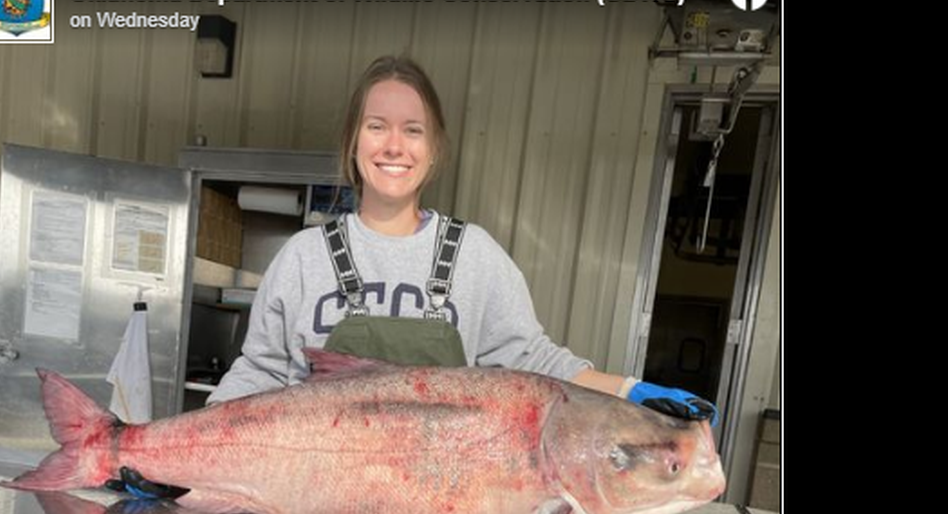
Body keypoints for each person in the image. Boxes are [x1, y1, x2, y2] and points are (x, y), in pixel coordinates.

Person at [206, 55, 716, 426]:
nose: (393, 146)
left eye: (413, 131)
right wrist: (180, 457)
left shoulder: (474, 256)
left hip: (439, 511)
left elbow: (535, 361)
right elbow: (260, 371)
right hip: (309, 501)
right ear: (352, 142)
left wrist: (631, 391)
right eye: (376, 126)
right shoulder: (303, 257)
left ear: (434, 149)